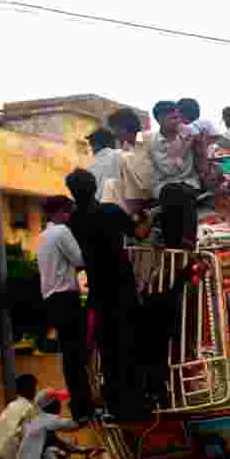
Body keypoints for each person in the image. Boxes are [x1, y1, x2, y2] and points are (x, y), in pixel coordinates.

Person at [67, 168, 153, 421]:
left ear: (72, 192)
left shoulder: (73, 221)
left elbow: (78, 261)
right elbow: (140, 233)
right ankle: (138, 402)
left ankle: (115, 406)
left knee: (108, 350)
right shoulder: (110, 211)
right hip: (122, 288)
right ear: (94, 187)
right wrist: (147, 216)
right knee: (130, 344)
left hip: (98, 292)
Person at [37, 195, 91, 421]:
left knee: (70, 355)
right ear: (59, 212)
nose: (70, 218)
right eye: (68, 212)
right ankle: (83, 408)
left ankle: (79, 408)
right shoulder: (61, 232)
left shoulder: (43, 236)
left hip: (51, 299)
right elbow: (80, 260)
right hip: (66, 298)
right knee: (78, 355)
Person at [149, 100, 203, 248]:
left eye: (178, 117)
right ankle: (178, 242)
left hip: (189, 181)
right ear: (159, 119)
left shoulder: (187, 132)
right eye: (172, 118)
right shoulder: (155, 141)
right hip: (164, 184)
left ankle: (184, 241)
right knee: (173, 191)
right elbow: (169, 170)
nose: (177, 121)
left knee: (184, 191)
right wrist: (185, 146)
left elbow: (203, 152)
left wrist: (198, 143)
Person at [102, 108, 155, 216]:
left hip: (155, 191)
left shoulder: (150, 138)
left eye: (115, 129)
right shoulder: (124, 150)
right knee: (110, 184)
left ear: (124, 128)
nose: (114, 134)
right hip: (136, 199)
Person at [85, 127, 121, 202]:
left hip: (98, 210)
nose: (91, 149)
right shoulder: (122, 155)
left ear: (95, 145)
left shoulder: (89, 169)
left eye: (91, 144)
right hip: (119, 209)